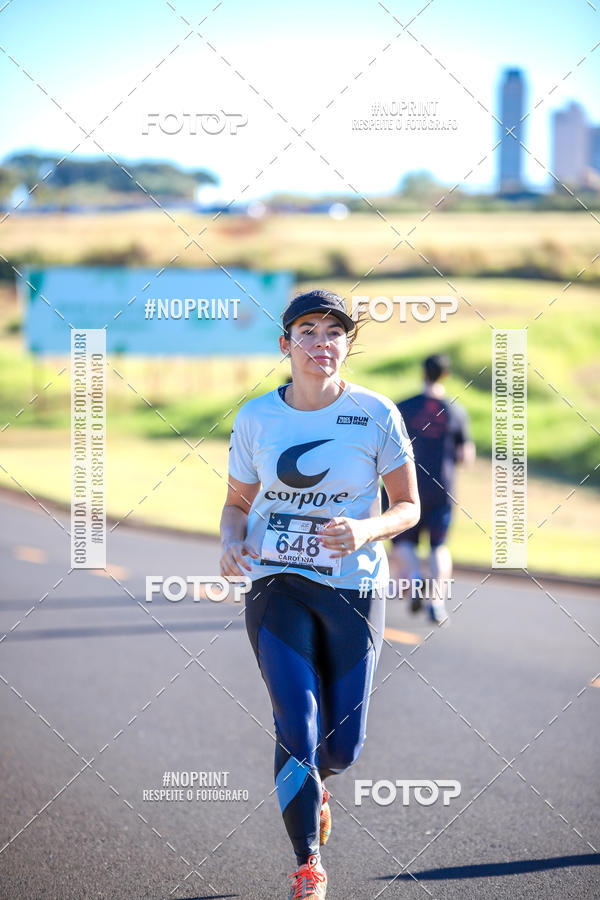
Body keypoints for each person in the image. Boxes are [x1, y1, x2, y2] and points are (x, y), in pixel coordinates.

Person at [219, 289, 419, 900]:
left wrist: (365, 527)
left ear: (347, 346)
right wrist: (230, 544)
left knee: (342, 747)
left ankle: (320, 784)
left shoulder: (377, 412)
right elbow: (235, 506)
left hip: (354, 589)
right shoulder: (257, 417)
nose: (320, 343)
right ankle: (308, 865)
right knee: (296, 726)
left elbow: (409, 506)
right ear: (286, 344)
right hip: (278, 584)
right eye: (307, 331)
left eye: (334, 333)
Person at [385, 353, 475, 624]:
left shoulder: (403, 407)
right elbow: (465, 456)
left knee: (402, 541)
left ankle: (414, 580)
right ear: (445, 375)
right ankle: (436, 602)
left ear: (422, 372)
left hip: (405, 486)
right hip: (441, 487)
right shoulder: (455, 410)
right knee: (439, 546)